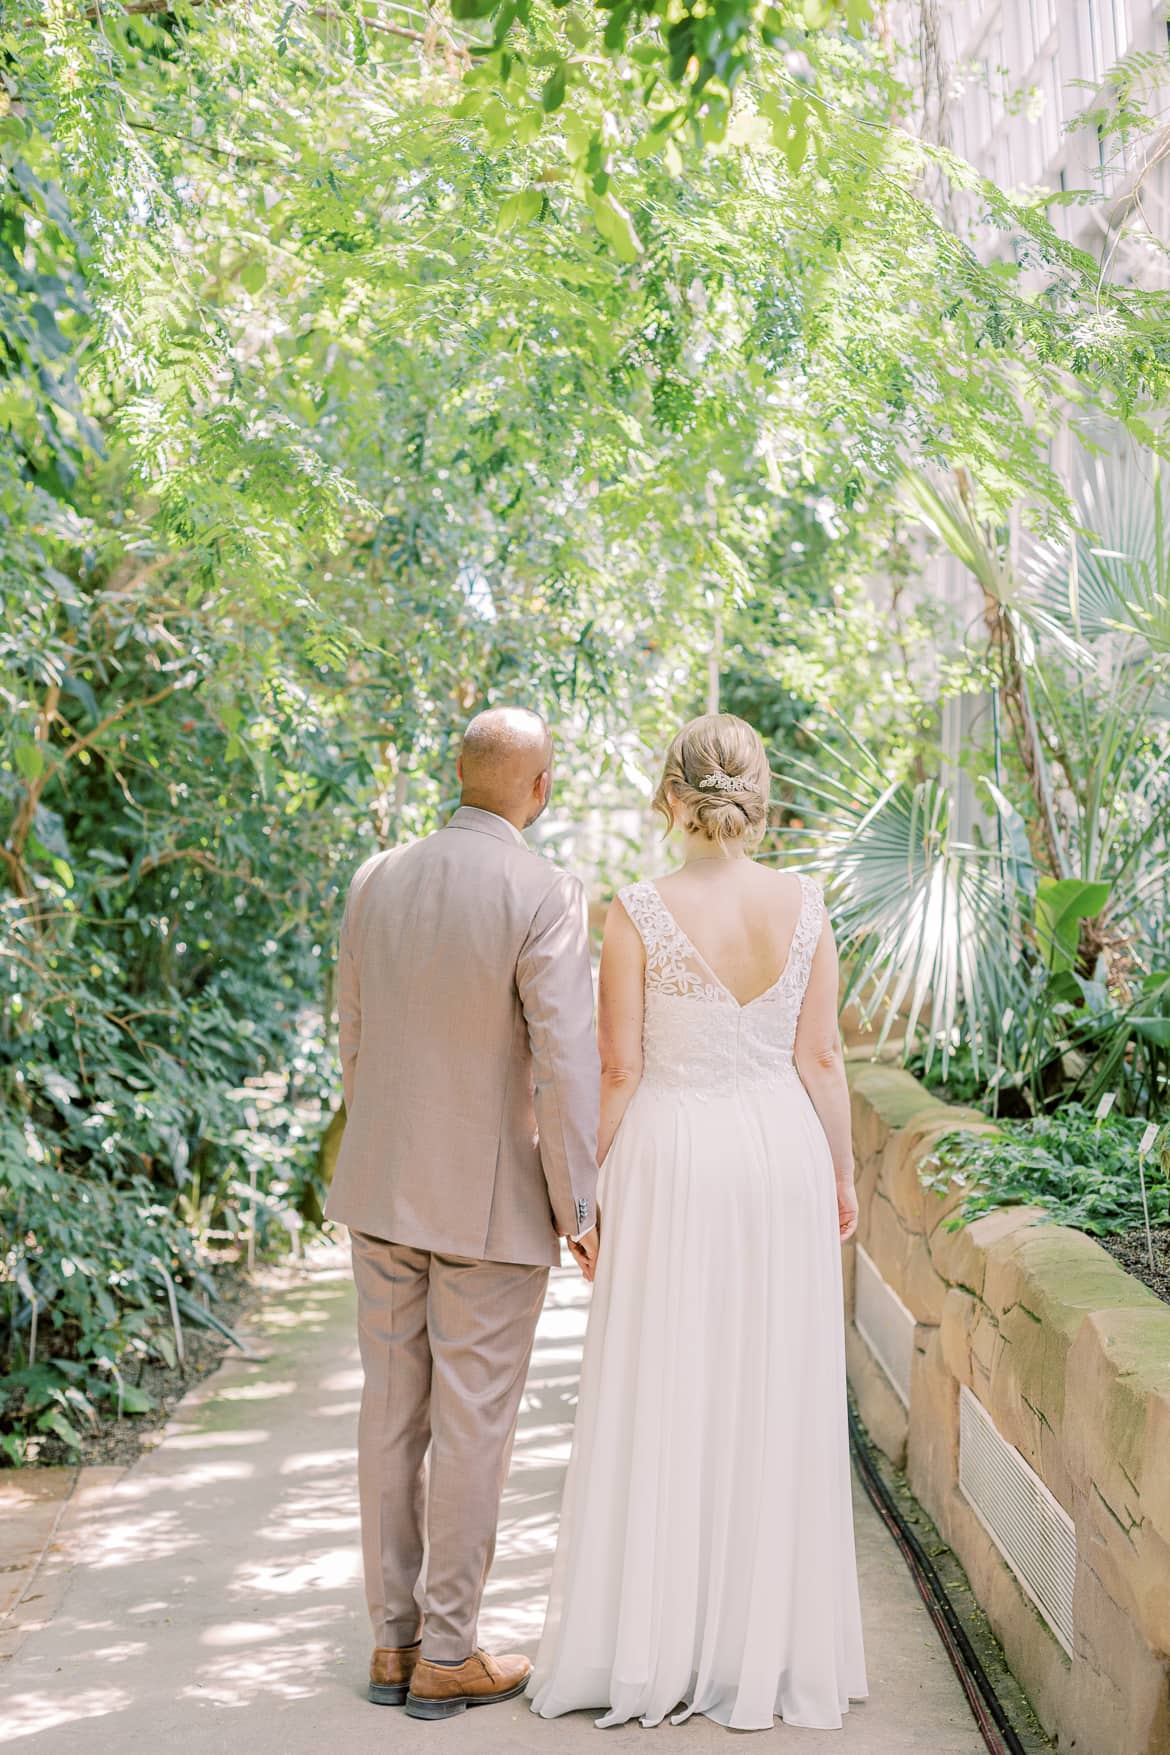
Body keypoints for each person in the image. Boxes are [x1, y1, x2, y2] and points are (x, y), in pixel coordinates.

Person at [529, 712, 868, 1732]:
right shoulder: (808, 906)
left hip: (674, 1159)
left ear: (669, 796)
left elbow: (620, 1066)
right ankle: (759, 1652)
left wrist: (587, 1197)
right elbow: (822, 1061)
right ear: (757, 794)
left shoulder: (635, 910)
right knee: (771, 1390)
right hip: (781, 1159)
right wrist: (843, 1176)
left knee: (667, 1383)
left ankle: (652, 1647)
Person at [327, 706, 601, 1722]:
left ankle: (391, 1644)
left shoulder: (376, 877)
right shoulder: (544, 892)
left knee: (389, 1414)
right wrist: (580, 1207)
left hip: (382, 1188)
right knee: (473, 1423)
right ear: (539, 787)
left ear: (461, 774)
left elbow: (352, 1036)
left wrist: (380, 1149)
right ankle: (450, 1652)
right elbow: (565, 1065)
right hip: (486, 1208)